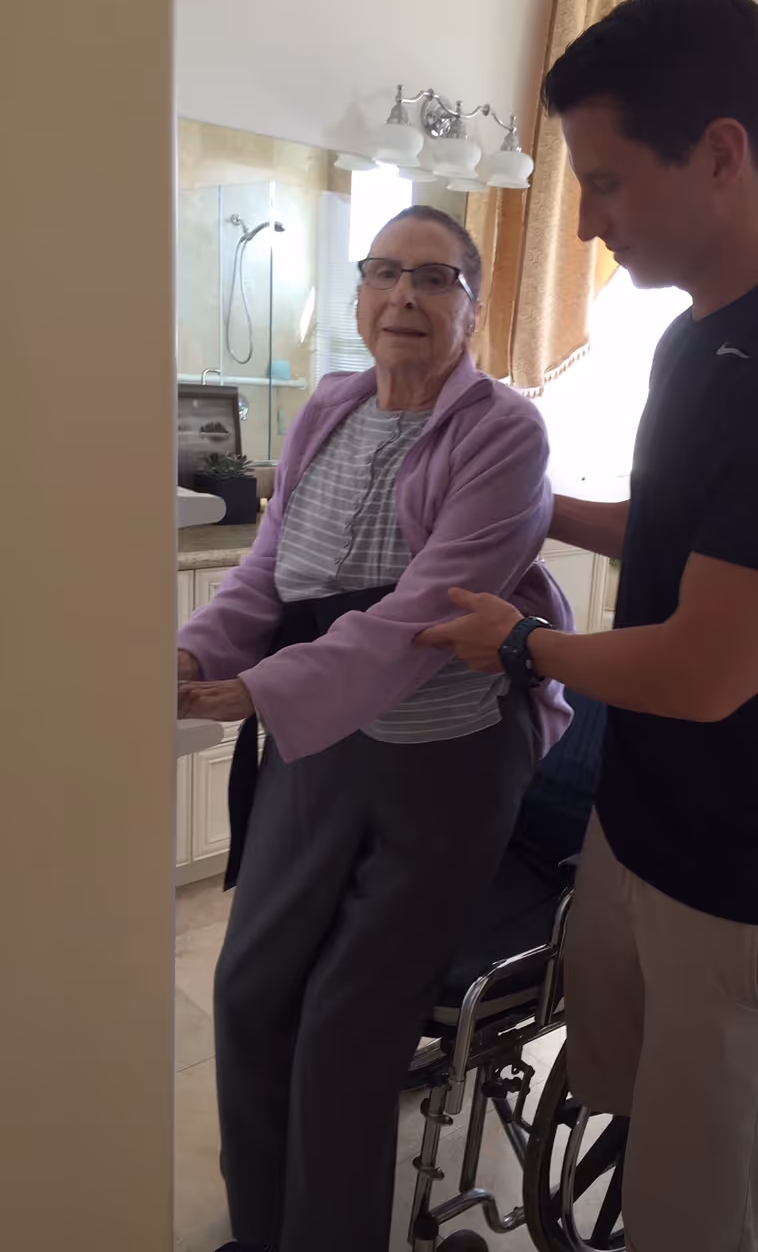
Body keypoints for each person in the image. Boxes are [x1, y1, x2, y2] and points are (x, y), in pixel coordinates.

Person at [418, 0, 758, 1251]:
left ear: (719, 151)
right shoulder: (700, 342)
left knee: (695, 1216)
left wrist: (518, 641)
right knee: (617, 1111)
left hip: (745, 890)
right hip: (636, 840)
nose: (585, 224)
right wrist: (533, 507)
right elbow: (691, 536)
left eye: (604, 182)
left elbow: (706, 666)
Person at [177, 203, 572, 1252]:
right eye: (386, 272)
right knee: (250, 992)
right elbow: (267, 575)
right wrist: (200, 652)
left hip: (448, 753)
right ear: (358, 295)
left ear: (474, 310)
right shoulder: (328, 411)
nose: (406, 296)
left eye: (436, 279)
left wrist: (262, 690)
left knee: (346, 1031)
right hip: (325, 738)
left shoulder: (504, 430)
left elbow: (425, 615)